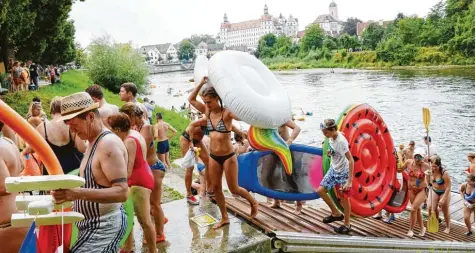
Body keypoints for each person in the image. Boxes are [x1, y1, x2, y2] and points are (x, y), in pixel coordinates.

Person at [51, 92, 128, 253]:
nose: (72, 130)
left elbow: (122, 193)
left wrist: (76, 194)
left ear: (90, 117)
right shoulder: (93, 142)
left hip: (103, 227)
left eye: (74, 124)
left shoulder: (108, 144)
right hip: (93, 226)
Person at [188, 81, 258, 229]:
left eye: (210, 102)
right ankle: (224, 217)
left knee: (234, 189)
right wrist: (201, 82)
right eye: (205, 102)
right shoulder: (207, 112)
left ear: (217, 99)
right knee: (216, 188)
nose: (207, 105)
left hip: (228, 156)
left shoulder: (227, 113)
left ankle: (253, 202)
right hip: (214, 156)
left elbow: (242, 116)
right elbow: (191, 99)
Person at [107, 113, 157, 253]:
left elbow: (128, 169)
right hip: (142, 175)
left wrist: (115, 182)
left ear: (117, 129)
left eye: (111, 129)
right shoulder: (135, 132)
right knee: (128, 216)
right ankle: (127, 247)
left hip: (138, 181)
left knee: (145, 221)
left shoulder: (129, 140)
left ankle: (153, 250)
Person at [120, 103, 167, 242]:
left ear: (133, 115)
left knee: (155, 204)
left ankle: (160, 234)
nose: (126, 121)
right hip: (147, 168)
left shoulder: (146, 127)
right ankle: (159, 221)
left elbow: (142, 149)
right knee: (150, 205)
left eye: (127, 117)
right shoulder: (136, 126)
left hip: (155, 168)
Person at [23, 97, 87, 175]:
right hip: (73, 169)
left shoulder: (42, 127)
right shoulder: (71, 125)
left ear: (51, 112)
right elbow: (82, 148)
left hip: (51, 171)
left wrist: (24, 152)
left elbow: (30, 149)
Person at [316, 119, 354, 234]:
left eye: (326, 132)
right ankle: (336, 213)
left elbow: (351, 160)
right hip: (334, 168)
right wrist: (331, 153)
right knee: (321, 190)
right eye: (323, 132)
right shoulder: (331, 136)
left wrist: (349, 181)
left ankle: (347, 225)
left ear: (333, 130)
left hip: (343, 172)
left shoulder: (341, 142)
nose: (324, 134)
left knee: (344, 198)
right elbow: (335, 148)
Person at [0, 121, 29, 253]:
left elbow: (3, 186)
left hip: (7, 226)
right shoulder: (8, 142)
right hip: (18, 218)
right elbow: (21, 167)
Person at [267, 119, 303, 215]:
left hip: (286, 151)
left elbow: (297, 128)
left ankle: (299, 204)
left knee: (290, 177)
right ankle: (276, 201)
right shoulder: (266, 119)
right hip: (274, 152)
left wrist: (290, 140)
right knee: (269, 176)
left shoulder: (282, 117)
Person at [402, 148, 429, 237]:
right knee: (417, 209)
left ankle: (411, 230)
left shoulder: (426, 166)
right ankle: (422, 228)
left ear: (423, 158)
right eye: (416, 156)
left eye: (420, 157)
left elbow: (435, 174)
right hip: (411, 190)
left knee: (413, 209)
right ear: (414, 156)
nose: (417, 159)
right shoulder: (409, 162)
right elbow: (399, 169)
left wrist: (431, 175)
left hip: (422, 190)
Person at [428, 155, 451, 233]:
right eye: (433, 166)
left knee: (445, 210)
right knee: (431, 208)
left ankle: (448, 226)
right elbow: (427, 181)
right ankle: (436, 222)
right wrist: (427, 179)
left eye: (436, 167)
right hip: (434, 190)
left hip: (444, 192)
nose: (434, 168)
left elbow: (448, 187)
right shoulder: (430, 170)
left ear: (439, 165)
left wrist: (443, 199)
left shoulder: (444, 173)